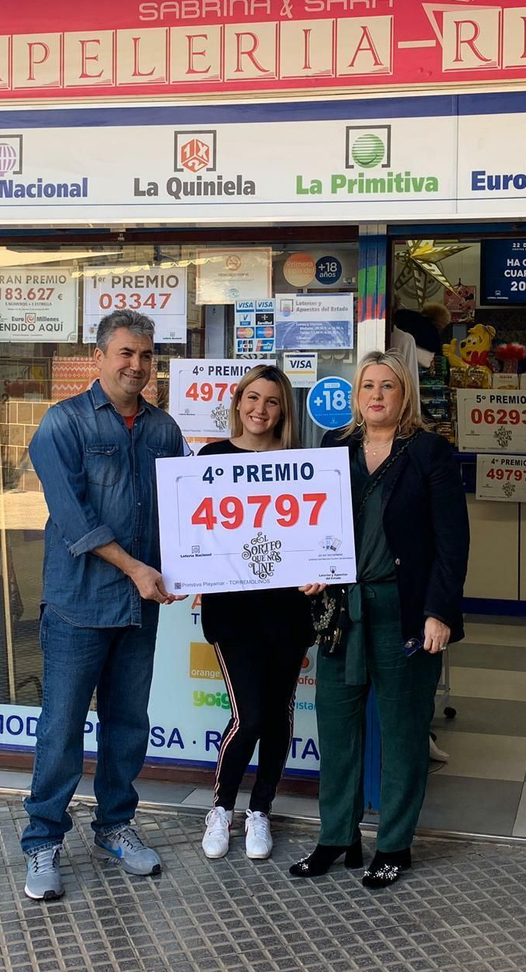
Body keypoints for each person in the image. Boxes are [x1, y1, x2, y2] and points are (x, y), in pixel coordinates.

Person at [20, 309, 187, 901]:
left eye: (146, 356)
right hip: (78, 606)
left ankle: (115, 827)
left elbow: (183, 509)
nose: (136, 366)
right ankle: (43, 839)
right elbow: (75, 521)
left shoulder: (165, 430)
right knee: (61, 728)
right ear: (99, 357)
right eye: (125, 354)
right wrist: (139, 568)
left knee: (127, 726)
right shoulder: (62, 425)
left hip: (139, 608)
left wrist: (189, 563)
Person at [290, 350, 469, 889]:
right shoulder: (333, 449)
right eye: (367, 385)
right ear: (355, 396)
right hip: (344, 611)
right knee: (337, 725)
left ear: (404, 395)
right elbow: (316, 524)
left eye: (387, 386)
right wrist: (315, 568)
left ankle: (394, 844)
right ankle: (337, 836)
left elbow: (451, 543)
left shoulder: (430, 452)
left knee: (403, 731)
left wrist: (439, 611)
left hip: (406, 612)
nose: (375, 395)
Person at [195, 365, 315, 861]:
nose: (259, 409)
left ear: (283, 409)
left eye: (271, 401)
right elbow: (197, 532)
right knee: (250, 716)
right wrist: (191, 574)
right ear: (238, 401)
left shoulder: (300, 463)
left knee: (279, 716)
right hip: (234, 612)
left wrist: (323, 570)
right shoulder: (212, 458)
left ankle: (259, 810)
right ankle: (221, 808)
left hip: (287, 609)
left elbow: (315, 534)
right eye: (252, 398)